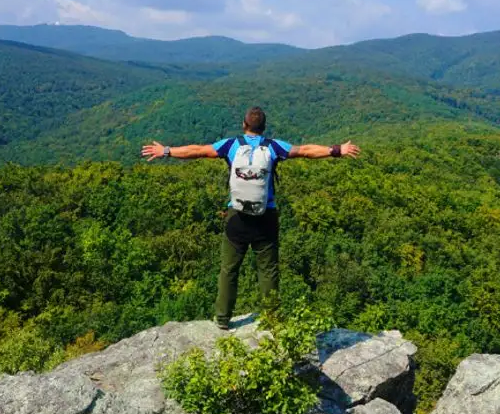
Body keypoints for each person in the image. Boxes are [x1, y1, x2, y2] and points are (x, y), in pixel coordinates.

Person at [141, 106, 360, 329]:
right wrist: (336, 149)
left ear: (244, 125)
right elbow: (305, 150)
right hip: (266, 217)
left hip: (236, 218)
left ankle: (223, 319)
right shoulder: (274, 147)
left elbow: (197, 150)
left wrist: (166, 151)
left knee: (229, 269)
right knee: (268, 271)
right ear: (264, 128)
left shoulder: (232, 145)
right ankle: (272, 320)